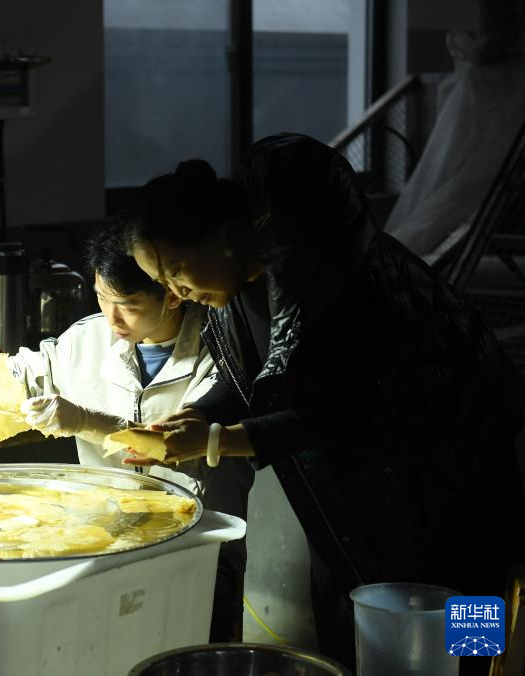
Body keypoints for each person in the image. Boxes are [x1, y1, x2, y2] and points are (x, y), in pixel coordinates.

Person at [125, 132, 525, 672]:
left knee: (463, 622)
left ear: (222, 237)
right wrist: (203, 414)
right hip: (352, 497)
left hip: (450, 481)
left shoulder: (341, 279)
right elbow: (258, 383)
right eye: (161, 280)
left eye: (175, 270)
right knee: (363, 628)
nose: (174, 293)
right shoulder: (235, 292)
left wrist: (217, 440)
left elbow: (349, 411)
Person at [0, 223, 254, 641]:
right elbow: (26, 373)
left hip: (197, 545)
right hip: (105, 543)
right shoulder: (87, 339)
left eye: (128, 304)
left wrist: (85, 421)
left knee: (194, 643)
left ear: (173, 293)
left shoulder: (221, 350)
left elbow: (181, 444)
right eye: (102, 297)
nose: (111, 318)